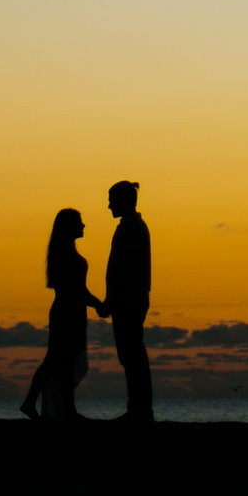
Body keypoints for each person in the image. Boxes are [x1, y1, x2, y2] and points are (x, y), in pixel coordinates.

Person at [18, 207, 100, 421]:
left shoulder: (64, 252)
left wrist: (95, 303)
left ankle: (59, 407)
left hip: (70, 311)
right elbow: (76, 290)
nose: (83, 226)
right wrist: (98, 304)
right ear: (69, 226)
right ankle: (48, 406)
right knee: (59, 360)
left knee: (62, 361)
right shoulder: (66, 255)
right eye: (79, 222)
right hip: (67, 312)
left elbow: (79, 289)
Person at [105, 180, 153, 422]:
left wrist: (110, 299)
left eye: (112, 200)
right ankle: (139, 408)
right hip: (130, 298)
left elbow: (121, 270)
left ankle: (139, 410)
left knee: (131, 355)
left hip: (128, 300)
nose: (109, 206)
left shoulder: (130, 228)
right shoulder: (132, 226)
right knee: (131, 355)